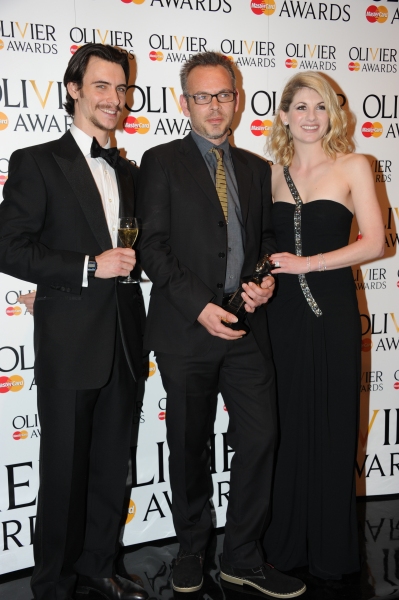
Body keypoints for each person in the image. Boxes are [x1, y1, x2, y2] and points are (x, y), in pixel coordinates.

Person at [137, 51, 306, 599]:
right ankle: (191, 546)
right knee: (189, 444)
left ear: (237, 99)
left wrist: (264, 281)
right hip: (186, 330)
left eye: (224, 95)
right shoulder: (159, 162)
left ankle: (242, 556)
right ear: (184, 103)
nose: (215, 107)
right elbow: (152, 250)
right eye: (203, 96)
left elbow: (264, 244)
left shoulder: (257, 169)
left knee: (261, 437)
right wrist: (197, 306)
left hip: (246, 329)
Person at [0, 44, 147, 600]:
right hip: (69, 343)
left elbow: (146, 252)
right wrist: (85, 269)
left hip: (126, 341)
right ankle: (54, 584)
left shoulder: (130, 172)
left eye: (121, 88)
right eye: (102, 86)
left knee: (113, 465)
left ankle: (100, 566)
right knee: (63, 473)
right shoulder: (37, 161)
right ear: (74, 90)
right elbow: (9, 245)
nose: (114, 99)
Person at [262, 72, 385, 580]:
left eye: (321, 106)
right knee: (284, 429)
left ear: (333, 114)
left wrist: (307, 264)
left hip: (332, 310)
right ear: (284, 114)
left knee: (334, 426)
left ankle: (333, 553)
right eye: (300, 106)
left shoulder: (354, 165)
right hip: (278, 317)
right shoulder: (267, 173)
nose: (311, 115)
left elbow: (377, 244)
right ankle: (284, 547)